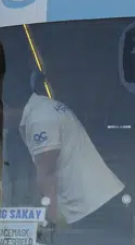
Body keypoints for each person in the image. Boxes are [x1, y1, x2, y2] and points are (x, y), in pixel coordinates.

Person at [17, 72, 126, 228]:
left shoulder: (40, 118)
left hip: (92, 209)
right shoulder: (45, 109)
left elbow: (47, 174)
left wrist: (51, 224)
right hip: (97, 202)